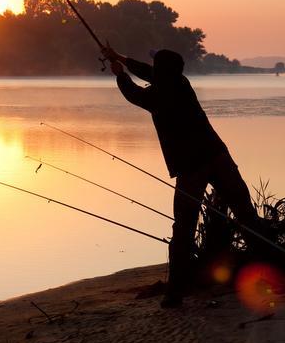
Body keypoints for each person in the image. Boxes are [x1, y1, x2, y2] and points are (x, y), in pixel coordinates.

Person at [102, 45, 265, 308]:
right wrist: (120, 57)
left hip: (191, 166)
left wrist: (119, 73)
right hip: (217, 155)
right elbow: (147, 71)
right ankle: (269, 270)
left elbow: (133, 94)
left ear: (162, 71)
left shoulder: (157, 95)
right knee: (245, 213)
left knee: (184, 228)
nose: (152, 68)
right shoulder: (181, 82)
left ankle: (174, 293)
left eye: (156, 66)